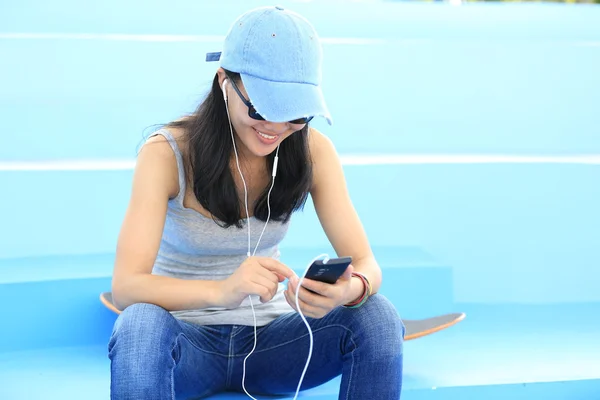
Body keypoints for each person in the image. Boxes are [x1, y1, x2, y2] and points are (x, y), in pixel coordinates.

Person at [107, 5, 404, 400]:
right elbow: (126, 288)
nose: (277, 128)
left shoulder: (315, 152)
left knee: (378, 315)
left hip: (273, 344)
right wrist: (221, 291)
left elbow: (367, 265)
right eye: (262, 108)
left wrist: (346, 291)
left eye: (296, 115)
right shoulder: (166, 153)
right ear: (224, 82)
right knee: (138, 324)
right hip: (184, 344)